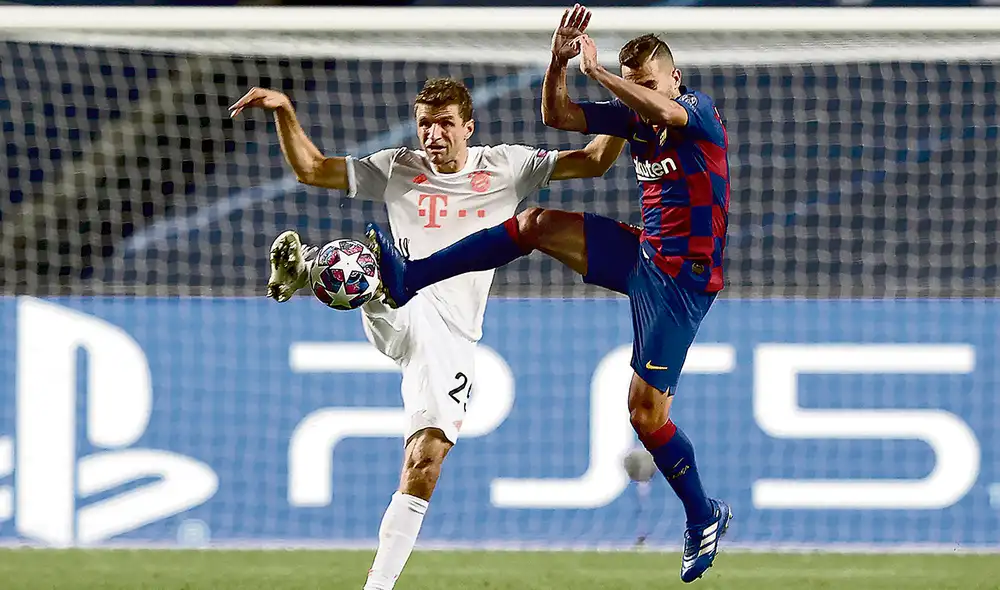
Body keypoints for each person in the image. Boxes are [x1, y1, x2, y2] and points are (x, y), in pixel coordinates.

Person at [366, 5, 732, 583]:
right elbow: (556, 113)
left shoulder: (697, 111)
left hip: (682, 281)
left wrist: (606, 80)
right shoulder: (636, 120)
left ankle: (702, 513)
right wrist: (559, 62)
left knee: (644, 413)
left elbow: (659, 111)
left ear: (674, 79)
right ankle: (413, 276)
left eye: (648, 83)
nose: (641, 94)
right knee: (533, 223)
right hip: (643, 255)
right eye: (633, 83)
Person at [229, 77, 625, 590]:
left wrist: (625, 116)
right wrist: (283, 109)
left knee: (426, 459)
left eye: (444, 124)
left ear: (468, 127)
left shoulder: (507, 166)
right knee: (370, 270)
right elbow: (311, 169)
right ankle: (333, 273)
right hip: (405, 300)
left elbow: (594, 162)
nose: (433, 136)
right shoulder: (398, 168)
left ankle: (313, 272)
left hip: (451, 335)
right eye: (424, 125)